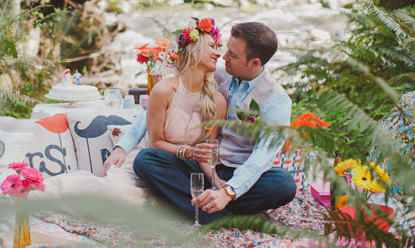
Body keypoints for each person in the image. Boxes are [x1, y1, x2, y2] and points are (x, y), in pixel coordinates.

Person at [103, 21, 296, 225]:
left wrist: (229, 192)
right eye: (226, 49)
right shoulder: (218, 75)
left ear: (255, 63)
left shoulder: (277, 101)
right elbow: (158, 110)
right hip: (199, 166)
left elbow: (262, 157)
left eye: (232, 55)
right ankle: (224, 216)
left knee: (283, 184)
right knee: (147, 160)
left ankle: (192, 204)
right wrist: (123, 146)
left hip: (239, 172)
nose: (223, 57)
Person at [146, 18, 227, 184]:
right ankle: (193, 196)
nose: (218, 54)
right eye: (211, 46)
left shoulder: (218, 101)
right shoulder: (163, 90)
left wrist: (215, 180)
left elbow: (206, 152)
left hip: (192, 168)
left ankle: (197, 195)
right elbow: (156, 143)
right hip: (163, 162)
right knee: (145, 160)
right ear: (194, 51)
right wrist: (188, 152)